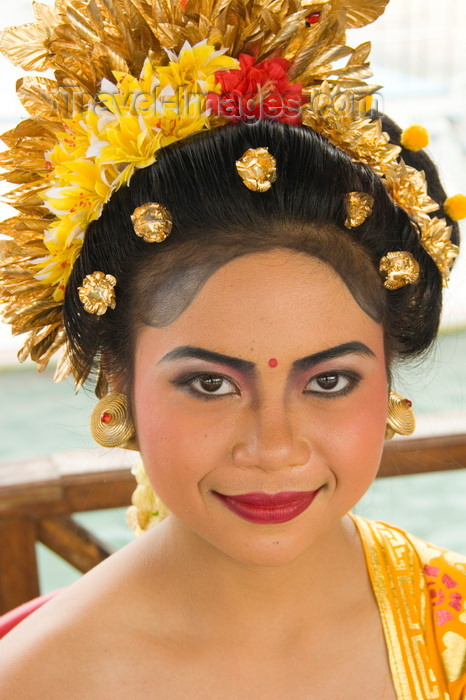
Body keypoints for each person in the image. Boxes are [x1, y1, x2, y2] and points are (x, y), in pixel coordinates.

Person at [0, 1, 465, 698]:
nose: (273, 448)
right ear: (118, 384)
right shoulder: (41, 679)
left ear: (390, 381)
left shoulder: (448, 625)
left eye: (331, 381)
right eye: (210, 385)